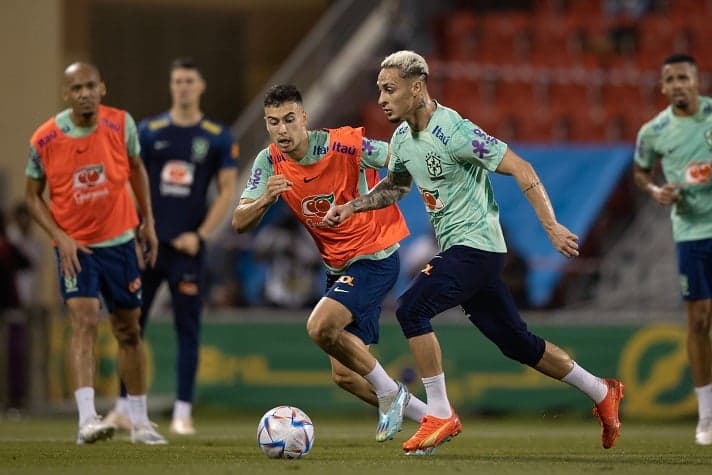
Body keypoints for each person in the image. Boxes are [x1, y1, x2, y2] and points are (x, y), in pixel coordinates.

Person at [324, 50, 624, 455]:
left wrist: (550, 226)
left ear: (417, 88)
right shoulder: (400, 139)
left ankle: (441, 413)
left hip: (478, 246)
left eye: (389, 89)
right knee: (518, 344)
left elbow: (521, 168)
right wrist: (353, 206)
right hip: (461, 251)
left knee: (412, 307)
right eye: (379, 90)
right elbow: (396, 188)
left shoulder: (456, 131)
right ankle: (601, 390)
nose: (381, 99)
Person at [232, 84, 427, 442]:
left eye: (290, 120)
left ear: (304, 118)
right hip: (339, 268)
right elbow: (239, 222)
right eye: (273, 122)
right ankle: (431, 420)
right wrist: (265, 201)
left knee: (320, 327)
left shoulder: (343, 145)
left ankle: (389, 394)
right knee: (345, 376)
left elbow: (398, 156)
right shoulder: (269, 162)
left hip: (375, 256)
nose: (282, 130)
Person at [25, 62, 166, 445]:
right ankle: (87, 420)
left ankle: (139, 422)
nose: (84, 93)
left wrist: (147, 222)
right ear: (65, 94)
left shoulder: (122, 125)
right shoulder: (45, 139)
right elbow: (31, 196)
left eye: (90, 86)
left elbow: (137, 169)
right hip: (76, 248)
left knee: (128, 329)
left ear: (102, 88)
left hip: (120, 242)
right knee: (84, 320)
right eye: (76, 88)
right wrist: (59, 235)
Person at [105, 58, 238, 436]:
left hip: (186, 250)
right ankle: (123, 408)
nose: (182, 86)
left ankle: (182, 412)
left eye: (188, 80)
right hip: (148, 247)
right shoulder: (149, 131)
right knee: (130, 328)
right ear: (171, 85)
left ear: (201, 86)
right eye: (177, 80)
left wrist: (201, 235)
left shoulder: (217, 135)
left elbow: (227, 190)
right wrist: (133, 230)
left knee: (188, 330)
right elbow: (130, 182)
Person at [633, 53, 712, 446]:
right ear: (663, 87)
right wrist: (655, 190)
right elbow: (641, 170)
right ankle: (707, 416)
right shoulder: (654, 131)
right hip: (692, 232)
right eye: (670, 79)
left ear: (697, 80)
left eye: (684, 77)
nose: (678, 84)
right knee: (698, 322)